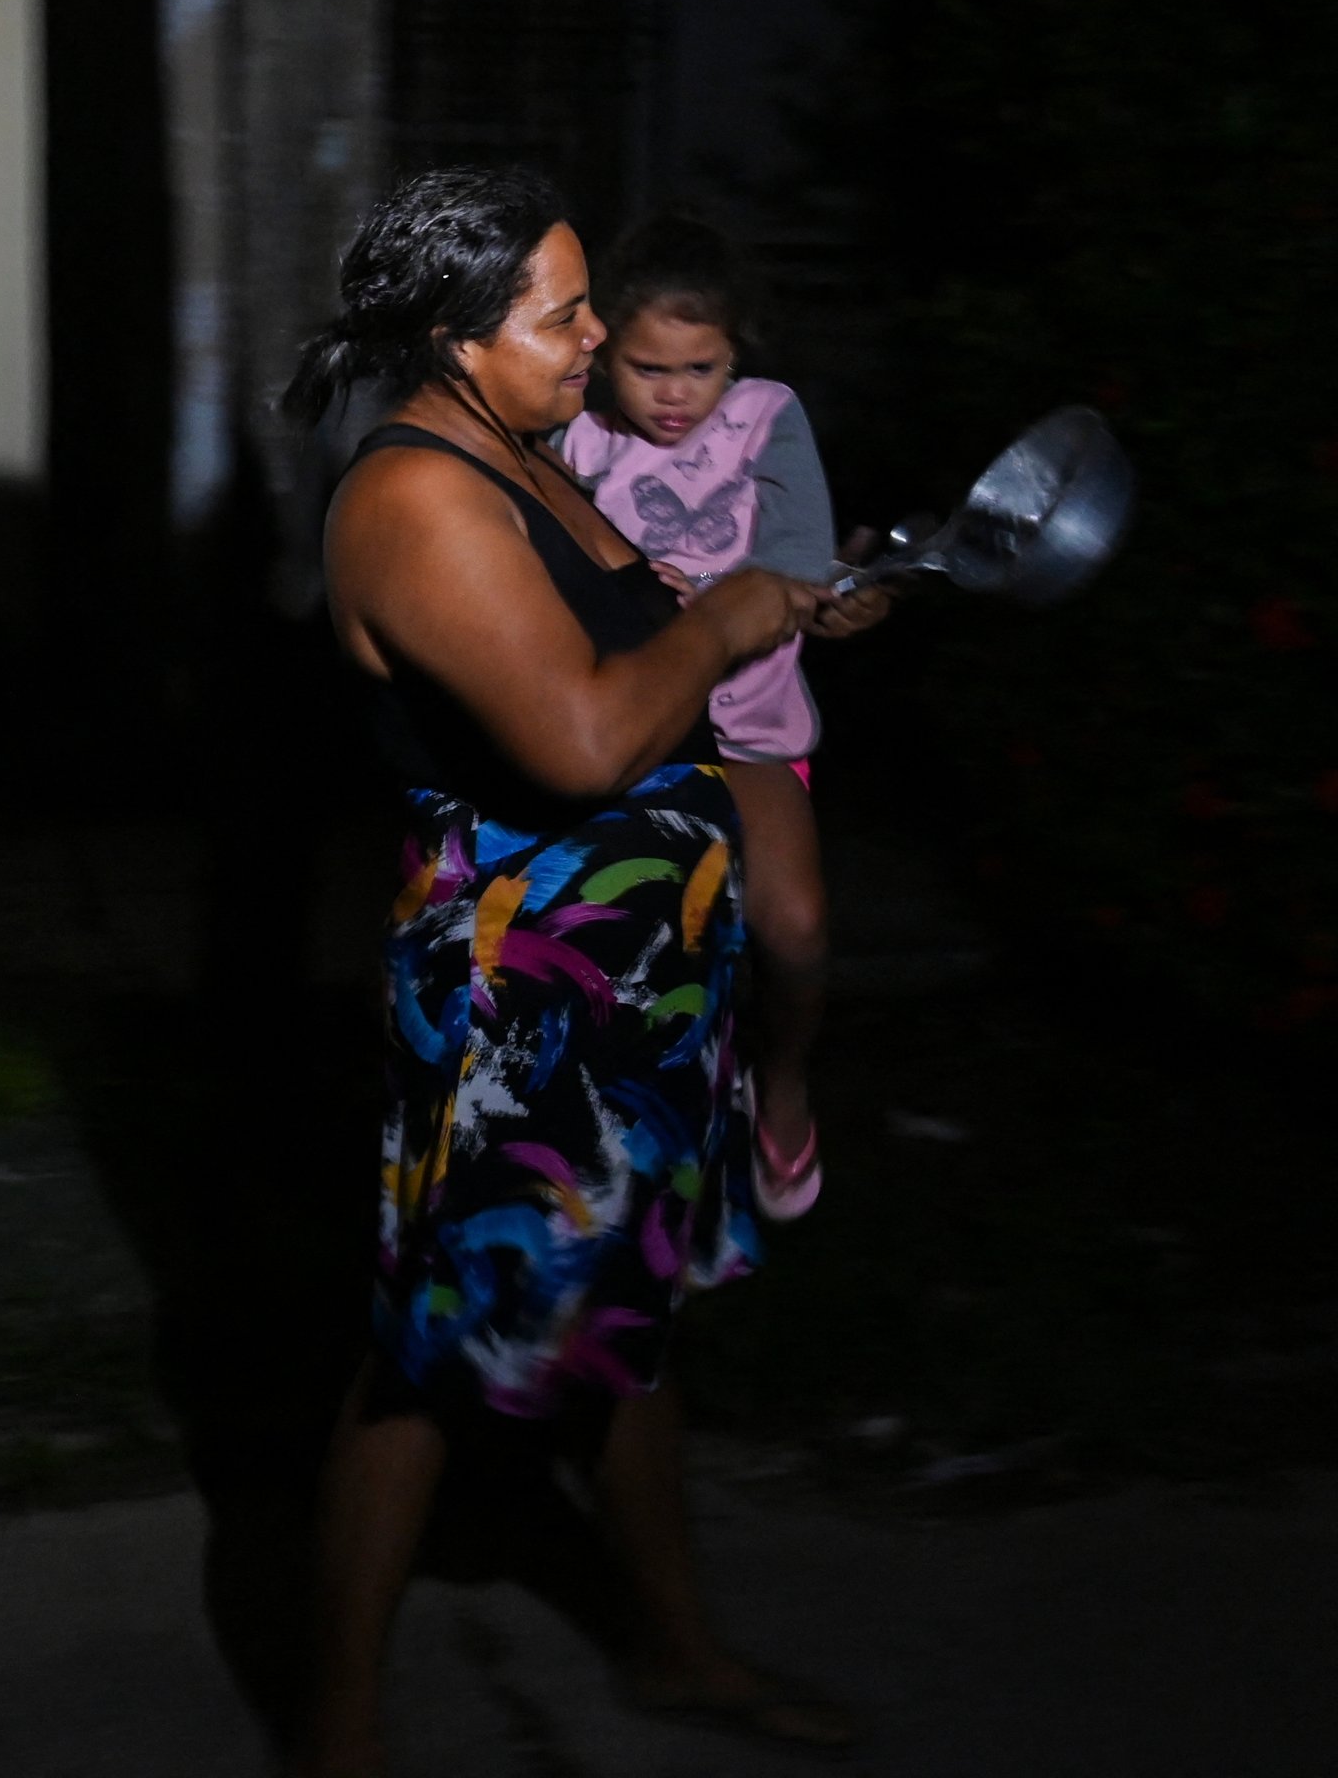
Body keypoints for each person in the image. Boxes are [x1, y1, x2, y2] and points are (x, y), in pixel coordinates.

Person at [289, 167, 887, 1774]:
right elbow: (577, 732)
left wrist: (775, 602)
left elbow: (618, 629)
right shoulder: (415, 495)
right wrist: (734, 619)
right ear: (450, 336)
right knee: (433, 1348)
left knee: (631, 1312)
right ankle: (335, 1731)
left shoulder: (525, 450)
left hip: (634, 976)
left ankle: (675, 1651)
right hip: (521, 986)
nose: (592, 337)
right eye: (559, 315)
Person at [558, 212, 874, 1219]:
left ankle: (781, 1078)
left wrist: (833, 588)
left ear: (737, 355)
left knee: (797, 926)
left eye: (701, 368)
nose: (674, 394)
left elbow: (797, 555)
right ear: (605, 350)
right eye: (649, 367)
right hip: (631, 729)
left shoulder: (769, 417)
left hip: (748, 727)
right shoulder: (578, 437)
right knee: (630, 959)